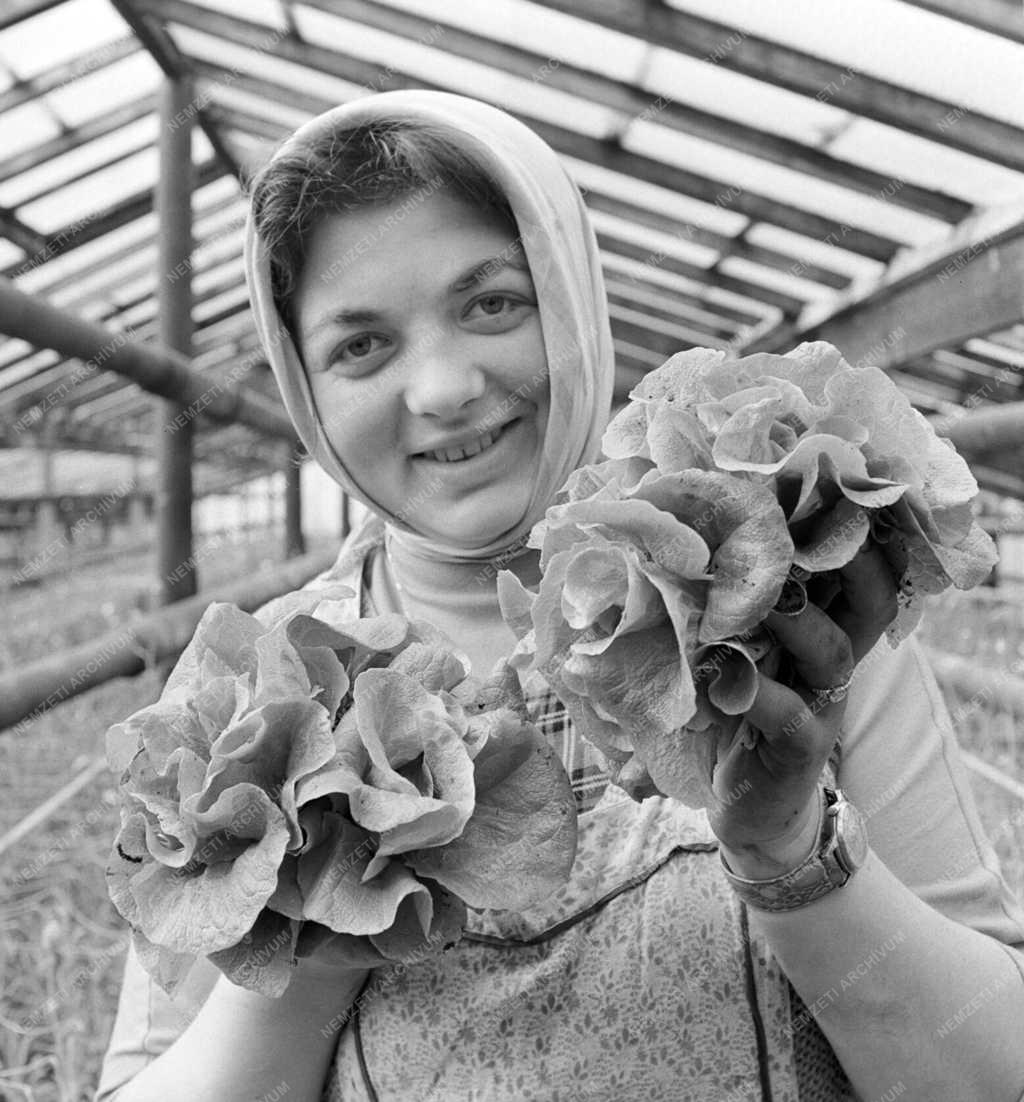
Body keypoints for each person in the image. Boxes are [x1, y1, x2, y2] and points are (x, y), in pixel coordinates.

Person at [96, 91, 1024, 1102]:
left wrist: (791, 857)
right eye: (360, 345)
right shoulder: (253, 684)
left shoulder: (786, 605)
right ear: (305, 388)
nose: (443, 386)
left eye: (492, 301)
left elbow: (986, 1070)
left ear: (572, 296)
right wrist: (320, 910)